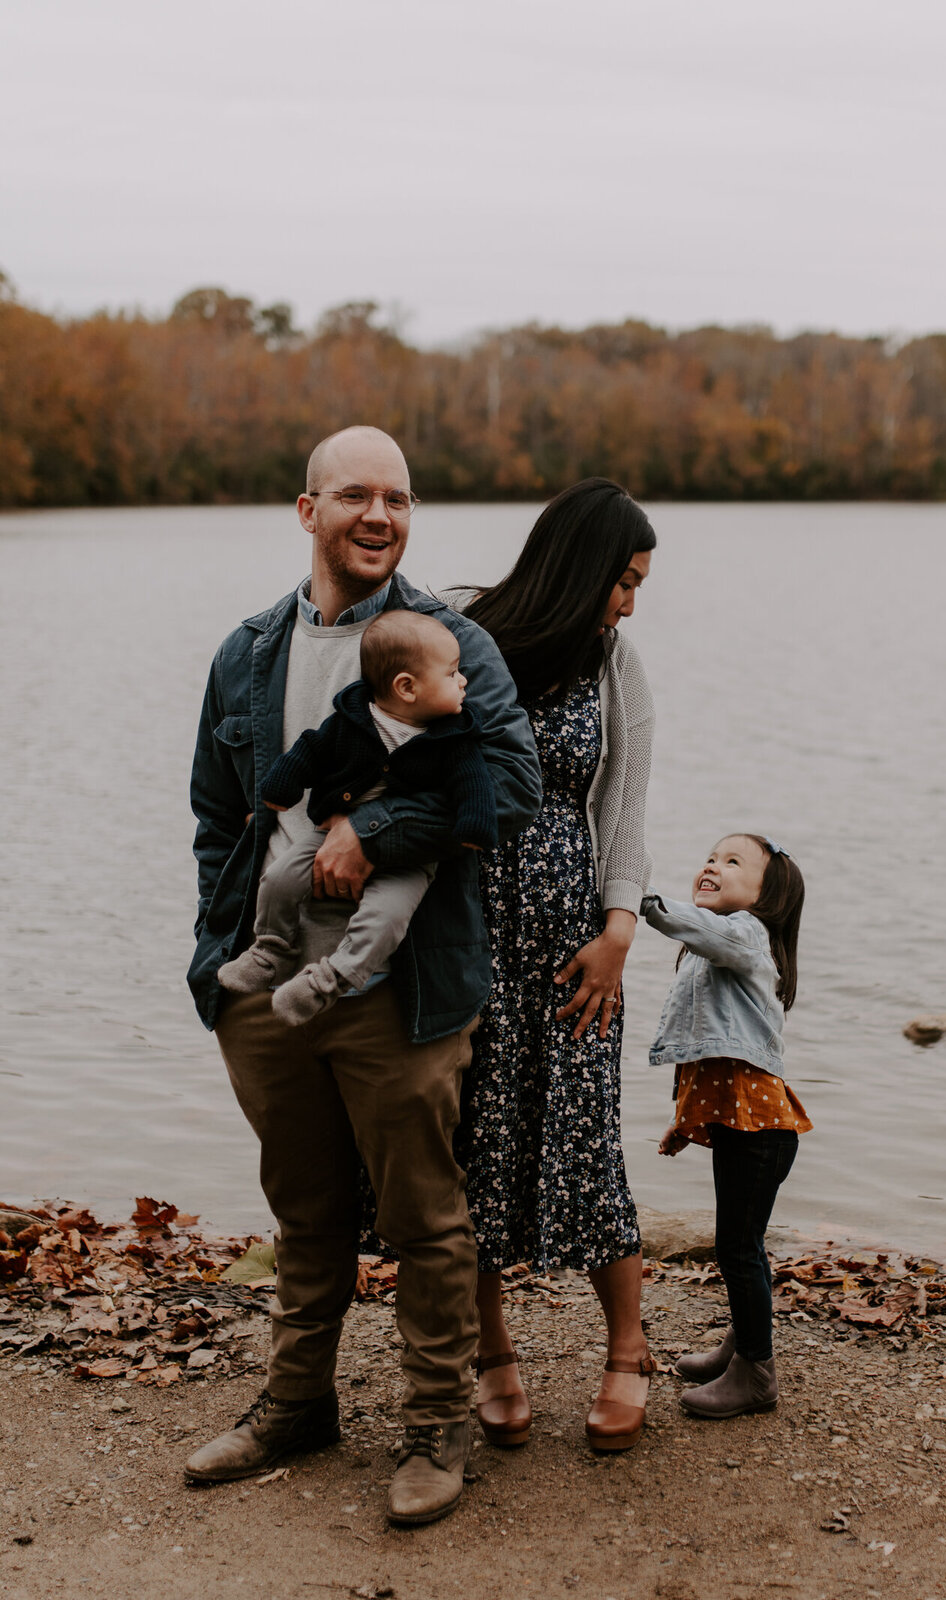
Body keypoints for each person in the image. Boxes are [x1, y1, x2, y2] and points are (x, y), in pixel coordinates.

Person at [182, 426, 539, 1528]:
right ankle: (298, 1405)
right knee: (304, 1207)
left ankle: (433, 1425)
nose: (378, 515)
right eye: (354, 496)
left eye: (397, 497)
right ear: (308, 511)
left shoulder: (452, 642)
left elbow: (513, 785)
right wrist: (219, 954)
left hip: (403, 984)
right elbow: (216, 813)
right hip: (272, 984)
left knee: (427, 1215)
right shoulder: (247, 652)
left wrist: (374, 831)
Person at [455, 478, 659, 1452]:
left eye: (637, 585)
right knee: (473, 1151)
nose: (629, 600)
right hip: (462, 943)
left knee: (586, 1144)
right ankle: (490, 1350)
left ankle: (627, 1346)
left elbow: (624, 812)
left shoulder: (617, 665)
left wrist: (620, 930)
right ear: (578, 566)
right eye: (622, 580)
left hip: (576, 950)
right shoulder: (459, 629)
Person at [215, 609, 499, 1026]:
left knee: (385, 919)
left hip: (409, 857)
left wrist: (475, 825)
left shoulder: (454, 736)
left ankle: (327, 981)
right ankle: (270, 950)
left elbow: (474, 783)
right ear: (407, 687)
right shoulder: (353, 719)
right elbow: (310, 750)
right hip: (330, 833)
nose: (463, 682)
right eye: (453, 673)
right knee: (279, 878)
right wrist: (281, 786)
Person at [645, 833, 809, 1419]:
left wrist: (640, 898)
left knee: (736, 1248)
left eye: (733, 861)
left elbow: (701, 930)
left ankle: (757, 1375)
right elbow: (711, 1058)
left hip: (761, 1132)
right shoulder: (717, 949)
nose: (712, 864)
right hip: (752, 1128)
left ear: (766, 897)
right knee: (746, 1246)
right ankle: (742, 1348)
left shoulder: (744, 935)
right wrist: (684, 1122)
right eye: (711, 856)